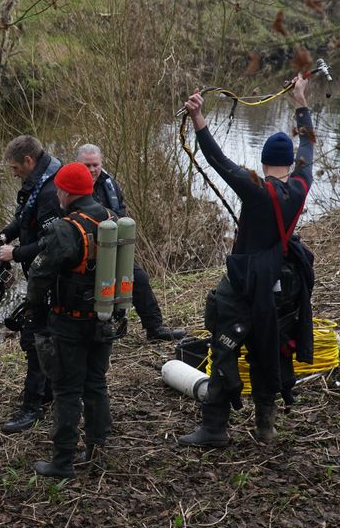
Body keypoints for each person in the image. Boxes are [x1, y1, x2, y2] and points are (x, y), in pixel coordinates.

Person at [178, 74, 315, 447]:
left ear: (263, 161)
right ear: (289, 162)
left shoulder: (256, 190)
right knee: (269, 347)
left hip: (244, 283)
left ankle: (214, 429)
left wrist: (197, 119)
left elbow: (218, 161)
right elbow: (309, 146)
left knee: (224, 347)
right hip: (281, 284)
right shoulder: (302, 184)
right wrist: (300, 101)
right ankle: (265, 426)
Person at [24, 162, 117, 478]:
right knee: (96, 382)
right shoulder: (110, 218)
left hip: (70, 321)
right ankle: (97, 448)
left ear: (64, 192)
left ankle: (62, 461)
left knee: (66, 389)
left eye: (59, 190)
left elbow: (39, 276)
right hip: (104, 318)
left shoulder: (64, 229)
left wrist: (33, 312)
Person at [75, 144, 185, 341]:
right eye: (86, 165)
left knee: (139, 279)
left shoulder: (110, 184)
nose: (91, 170)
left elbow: (121, 211)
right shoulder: (71, 185)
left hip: (114, 245)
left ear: (101, 163)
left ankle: (155, 328)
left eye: (95, 165)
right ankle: (93, 331)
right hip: (84, 251)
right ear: (78, 164)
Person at [0, 135, 62, 434]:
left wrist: (16, 253)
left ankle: (32, 407)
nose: (13, 174)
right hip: (39, 274)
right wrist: (5, 235)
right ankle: (47, 392)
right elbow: (25, 220)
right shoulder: (36, 182)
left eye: (15, 168)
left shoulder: (50, 190)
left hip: (51, 276)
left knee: (37, 339)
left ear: (29, 161)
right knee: (38, 336)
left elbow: (50, 243)